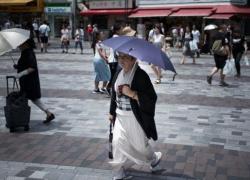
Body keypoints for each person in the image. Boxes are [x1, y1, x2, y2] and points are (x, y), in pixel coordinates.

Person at [109, 51, 162, 180]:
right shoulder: (118, 72)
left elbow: (151, 98)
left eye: (125, 58)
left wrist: (132, 93)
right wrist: (111, 111)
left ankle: (154, 158)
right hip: (120, 117)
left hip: (135, 118)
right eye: (119, 57)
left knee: (141, 148)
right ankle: (118, 173)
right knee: (117, 142)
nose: (121, 61)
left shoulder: (141, 76)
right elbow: (113, 94)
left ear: (133, 59)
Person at [13, 39, 55, 124]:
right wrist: (18, 66)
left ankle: (20, 118)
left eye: (21, 43)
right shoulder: (25, 52)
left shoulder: (29, 53)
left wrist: (21, 73)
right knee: (33, 99)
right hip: (27, 82)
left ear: (26, 44)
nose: (19, 45)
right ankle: (48, 114)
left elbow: (32, 67)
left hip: (30, 82)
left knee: (29, 98)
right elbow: (25, 65)